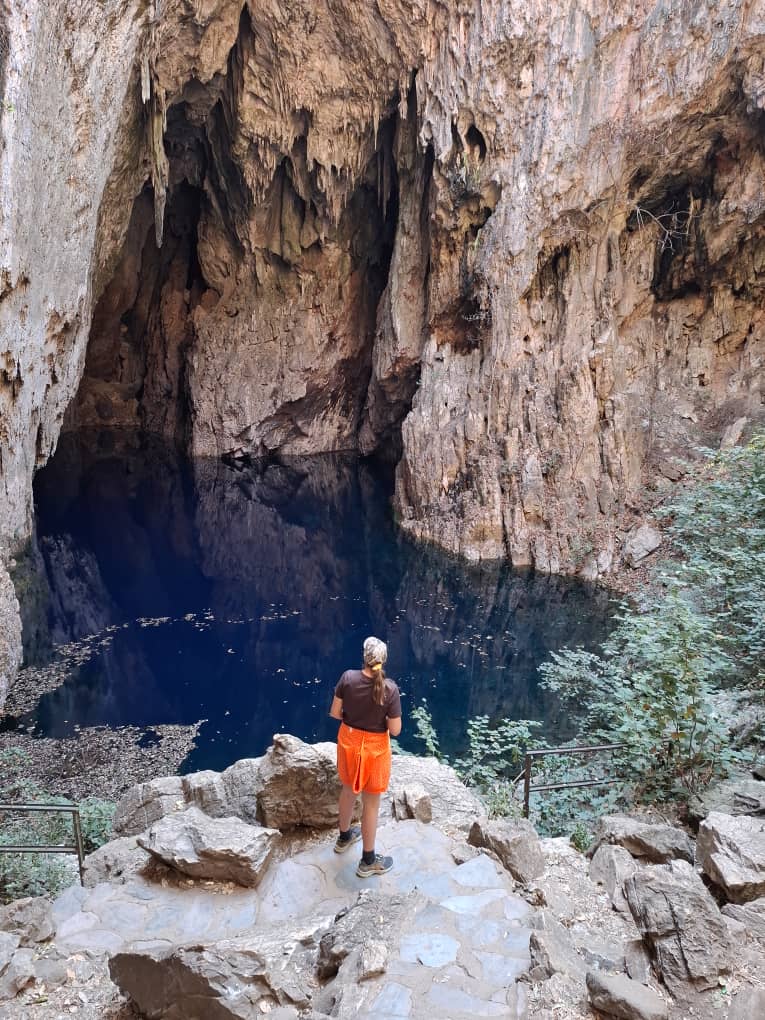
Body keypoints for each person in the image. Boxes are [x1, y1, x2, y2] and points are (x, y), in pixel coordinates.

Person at [329, 635, 402, 877]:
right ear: (384, 661)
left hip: (349, 743)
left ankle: (344, 838)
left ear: (364, 658)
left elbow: (335, 713)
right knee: (371, 805)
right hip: (374, 750)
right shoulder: (390, 689)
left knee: (348, 789)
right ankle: (368, 860)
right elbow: (395, 730)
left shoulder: (347, 679)